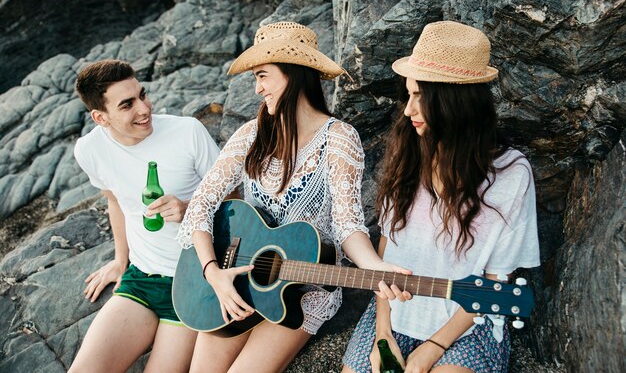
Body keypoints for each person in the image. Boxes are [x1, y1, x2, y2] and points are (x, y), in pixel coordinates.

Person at [177, 21, 408, 373]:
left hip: (305, 289)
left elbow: (347, 226)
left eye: (263, 76)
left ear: (294, 73)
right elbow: (202, 203)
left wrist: (375, 267)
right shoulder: (252, 135)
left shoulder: (339, 139)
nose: (257, 89)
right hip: (235, 280)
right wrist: (213, 273)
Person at [341, 21, 541, 373]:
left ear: (453, 103)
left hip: (469, 322)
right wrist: (382, 334)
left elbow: (496, 282)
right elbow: (386, 255)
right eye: (409, 95)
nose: (408, 110)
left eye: (420, 97)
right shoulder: (408, 154)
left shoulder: (510, 175)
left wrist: (432, 349)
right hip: (394, 313)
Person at [68, 59, 221, 373]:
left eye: (143, 95)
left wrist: (190, 208)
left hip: (193, 281)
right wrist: (119, 259)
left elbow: (236, 197)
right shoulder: (89, 150)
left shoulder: (187, 131)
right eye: (127, 105)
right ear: (100, 117)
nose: (144, 109)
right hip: (141, 277)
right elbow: (115, 200)